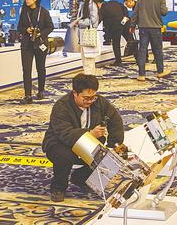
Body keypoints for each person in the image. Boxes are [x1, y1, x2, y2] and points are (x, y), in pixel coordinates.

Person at [42, 73, 124, 202]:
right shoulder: (61, 106)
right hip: (61, 144)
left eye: (93, 97)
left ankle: (81, 178)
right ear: (75, 93)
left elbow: (115, 121)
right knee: (64, 155)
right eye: (86, 98)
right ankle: (58, 188)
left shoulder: (100, 102)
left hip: (88, 145)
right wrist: (89, 134)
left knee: (112, 155)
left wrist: (114, 145)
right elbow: (64, 133)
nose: (90, 101)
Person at [17, 0, 54, 104]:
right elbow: (19, 27)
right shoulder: (24, 12)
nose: (26, 0)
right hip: (27, 44)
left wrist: (40, 33)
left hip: (40, 43)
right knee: (26, 69)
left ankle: (41, 91)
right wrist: (26, 30)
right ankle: (28, 95)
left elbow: (50, 27)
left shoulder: (43, 12)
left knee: (40, 68)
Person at [132, 0, 170, 81]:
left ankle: (141, 74)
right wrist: (165, 8)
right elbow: (164, 12)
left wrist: (132, 25)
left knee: (142, 50)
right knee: (158, 50)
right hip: (155, 28)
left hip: (143, 28)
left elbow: (135, 13)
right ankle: (160, 72)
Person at [95, 0, 134, 67]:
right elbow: (124, 8)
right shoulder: (114, 2)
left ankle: (118, 61)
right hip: (125, 23)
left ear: (98, 3)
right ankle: (139, 58)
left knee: (116, 44)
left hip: (115, 27)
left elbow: (99, 19)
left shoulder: (102, 9)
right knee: (131, 41)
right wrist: (126, 17)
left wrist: (93, 27)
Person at [70, 0, 100, 75]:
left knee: (88, 60)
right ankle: (89, 77)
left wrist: (79, 22)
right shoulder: (84, 4)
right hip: (83, 35)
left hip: (88, 34)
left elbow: (93, 20)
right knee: (85, 60)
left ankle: (89, 78)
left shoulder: (92, 5)